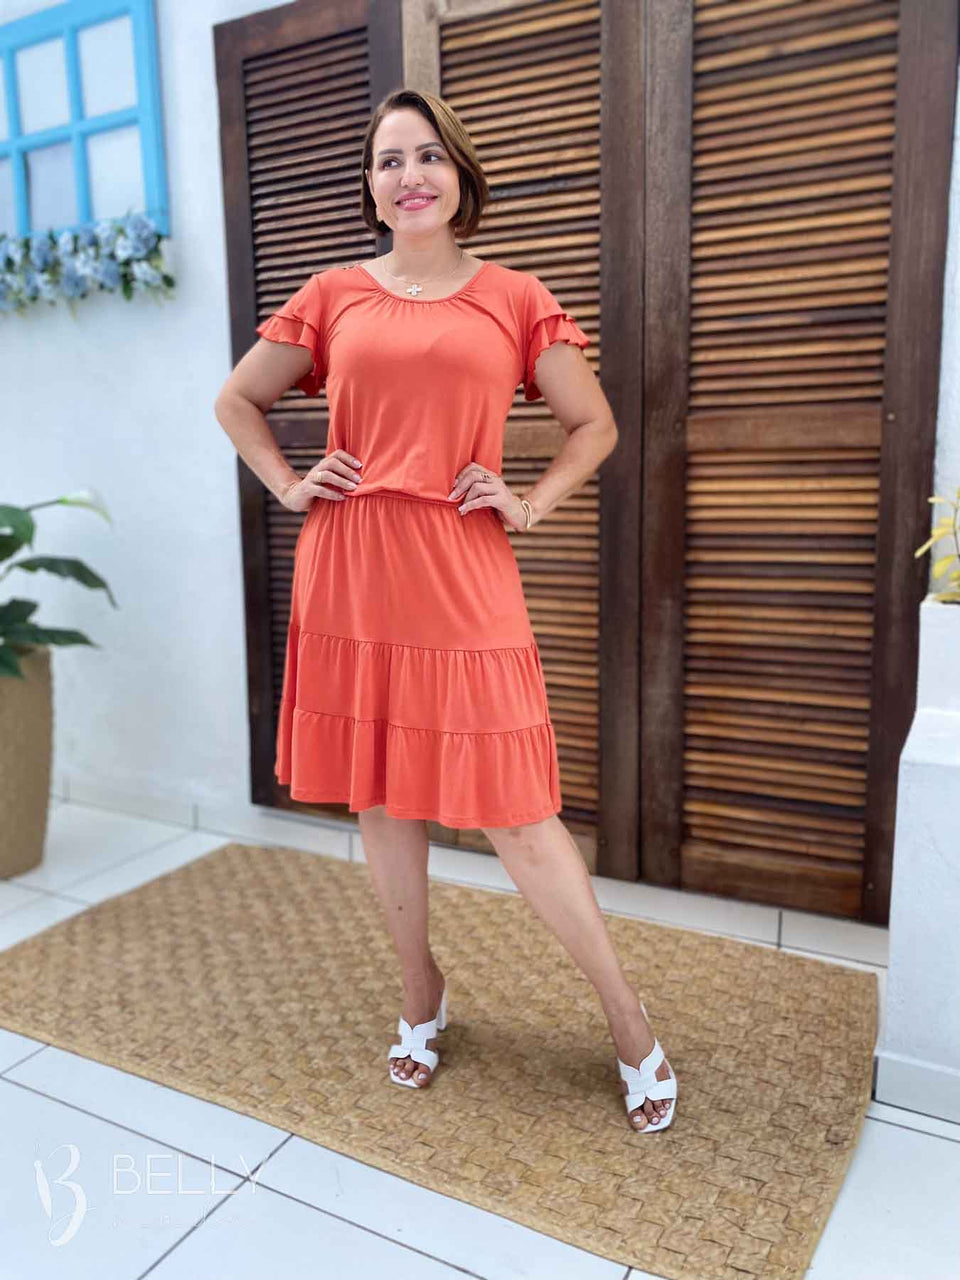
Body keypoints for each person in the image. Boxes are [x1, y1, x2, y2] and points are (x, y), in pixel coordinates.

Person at [214, 89, 677, 1133]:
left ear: (461, 176)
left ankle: (626, 1013)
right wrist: (288, 483)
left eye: (428, 156)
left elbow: (594, 424)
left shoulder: (515, 297)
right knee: (383, 799)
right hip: (351, 565)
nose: (410, 175)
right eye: (389, 160)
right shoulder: (332, 293)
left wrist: (530, 502)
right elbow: (237, 399)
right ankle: (420, 990)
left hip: (461, 565)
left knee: (517, 809)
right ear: (371, 186)